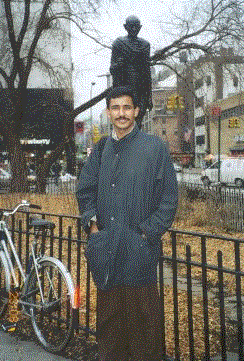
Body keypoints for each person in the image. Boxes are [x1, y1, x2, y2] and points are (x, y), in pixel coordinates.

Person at [76, 86, 178, 361]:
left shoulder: (154, 148)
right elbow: (85, 191)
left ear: (136, 111)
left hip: (139, 253)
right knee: (110, 331)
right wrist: (94, 228)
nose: (121, 113)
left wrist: (145, 234)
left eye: (126, 107)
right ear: (108, 112)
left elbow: (168, 200)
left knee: (144, 329)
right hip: (107, 252)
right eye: (115, 108)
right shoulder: (101, 150)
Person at [110, 16, 153, 129]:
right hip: (124, 88)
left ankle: (137, 144)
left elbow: (147, 71)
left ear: (140, 27)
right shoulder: (119, 44)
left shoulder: (145, 45)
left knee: (138, 121)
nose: (134, 29)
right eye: (131, 26)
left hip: (141, 89)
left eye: (136, 27)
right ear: (125, 27)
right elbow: (112, 68)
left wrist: (149, 96)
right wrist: (119, 65)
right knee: (125, 121)